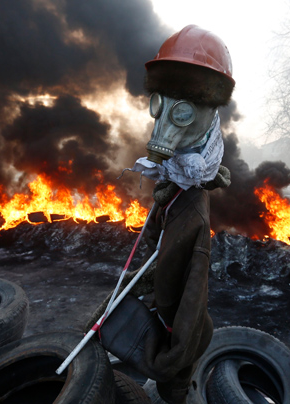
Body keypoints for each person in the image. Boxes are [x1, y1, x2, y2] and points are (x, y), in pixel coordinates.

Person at [87, 24, 234, 404]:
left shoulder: (193, 214)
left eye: (182, 111)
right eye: (159, 105)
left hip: (172, 335)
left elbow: (189, 306)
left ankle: (175, 394)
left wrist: (170, 363)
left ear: (208, 111)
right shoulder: (178, 183)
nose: (165, 121)